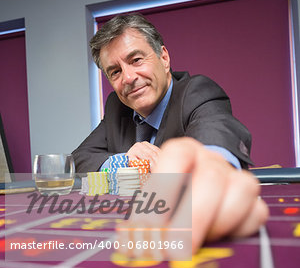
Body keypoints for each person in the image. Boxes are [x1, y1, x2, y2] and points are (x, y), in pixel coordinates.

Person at [72, 13, 268, 253]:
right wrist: (122, 161)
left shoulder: (196, 92)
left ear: (163, 58)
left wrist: (213, 167)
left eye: (135, 60)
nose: (128, 78)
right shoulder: (117, 107)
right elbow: (79, 159)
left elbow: (216, 131)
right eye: (115, 72)